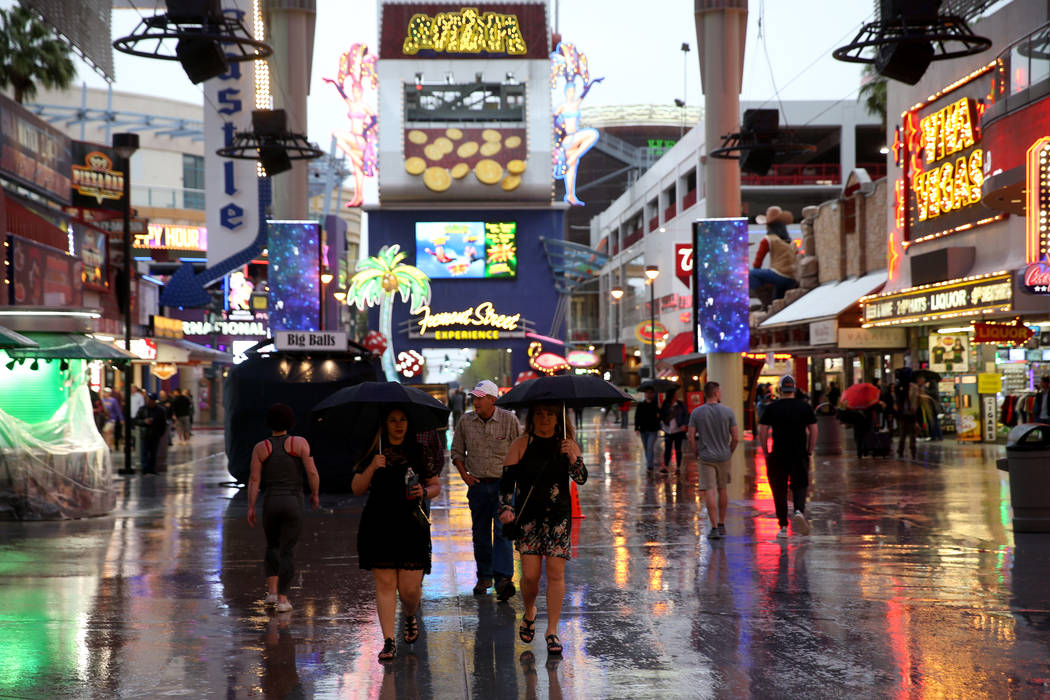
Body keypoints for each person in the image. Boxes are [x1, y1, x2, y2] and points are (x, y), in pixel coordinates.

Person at [352, 407, 442, 662]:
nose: (399, 425)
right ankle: (389, 641)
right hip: (379, 524)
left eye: (403, 420)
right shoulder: (373, 451)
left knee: (410, 591)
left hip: (412, 525)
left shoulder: (418, 452)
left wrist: (424, 492)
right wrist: (372, 467)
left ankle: (410, 615)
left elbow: (436, 486)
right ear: (385, 423)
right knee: (386, 585)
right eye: (393, 420)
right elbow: (357, 487)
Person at [498, 402, 586, 656]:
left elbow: (580, 478)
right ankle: (529, 610)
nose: (545, 418)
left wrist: (573, 457)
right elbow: (506, 483)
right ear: (532, 417)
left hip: (558, 519)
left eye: (550, 413)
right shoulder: (521, 445)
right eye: (540, 413)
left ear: (558, 418)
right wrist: (506, 508)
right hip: (528, 520)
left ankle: (552, 630)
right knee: (531, 576)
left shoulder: (567, 444)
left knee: (556, 573)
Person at [451, 380, 522, 601]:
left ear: (493, 399)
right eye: (474, 397)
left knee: (503, 531)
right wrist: (464, 474)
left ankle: (503, 579)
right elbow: (456, 452)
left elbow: (520, 450)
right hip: (478, 486)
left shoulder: (509, 420)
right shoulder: (465, 421)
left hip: (504, 485)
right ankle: (484, 576)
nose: (476, 401)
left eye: (480, 398)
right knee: (480, 533)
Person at [246, 404, 320, 614]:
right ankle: (283, 600)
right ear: (290, 421)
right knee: (287, 551)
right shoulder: (299, 443)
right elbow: (312, 473)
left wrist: (251, 506)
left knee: (272, 547)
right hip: (293, 502)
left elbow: (254, 479)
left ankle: (271, 592)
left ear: (269, 423)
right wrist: (314, 494)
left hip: (270, 502)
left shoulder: (261, 448)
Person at [758, 375, 818, 539]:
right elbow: (814, 430)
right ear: (794, 389)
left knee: (779, 489)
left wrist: (766, 452)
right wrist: (809, 450)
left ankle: (783, 525)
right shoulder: (804, 407)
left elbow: (762, 431)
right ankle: (798, 510)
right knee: (800, 484)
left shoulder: (771, 408)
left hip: (778, 454)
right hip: (799, 453)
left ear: (780, 390)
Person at [687, 382, 739, 539]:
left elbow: (691, 437)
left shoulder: (696, 413)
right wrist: (729, 451)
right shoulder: (728, 412)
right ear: (716, 393)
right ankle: (722, 524)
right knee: (722, 489)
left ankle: (714, 527)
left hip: (706, 457)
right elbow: (736, 437)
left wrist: (697, 452)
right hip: (724, 456)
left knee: (709, 490)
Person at [749, 206, 800, 301]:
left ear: (769, 226)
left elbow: (757, 262)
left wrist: (762, 281)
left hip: (779, 276)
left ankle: (765, 300)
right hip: (792, 278)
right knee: (777, 301)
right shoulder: (790, 242)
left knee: (751, 274)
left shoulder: (768, 239)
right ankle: (772, 302)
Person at [134, 393, 167, 475]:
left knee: (153, 453)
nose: (150, 402)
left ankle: (152, 469)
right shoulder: (142, 409)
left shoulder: (160, 410)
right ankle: (144, 469)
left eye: (152, 400)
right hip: (145, 434)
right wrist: (144, 422)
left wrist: (160, 433)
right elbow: (136, 420)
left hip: (155, 434)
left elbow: (163, 423)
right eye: (149, 400)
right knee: (144, 452)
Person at [660, 391, 689, 473]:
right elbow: (662, 415)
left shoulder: (680, 405)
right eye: (675, 394)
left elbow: (685, 415)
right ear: (672, 396)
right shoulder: (665, 405)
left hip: (678, 430)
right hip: (668, 429)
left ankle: (678, 467)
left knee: (678, 449)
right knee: (667, 448)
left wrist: (684, 424)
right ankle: (666, 466)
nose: (677, 396)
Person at [894, 368, 920, 460]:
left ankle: (909, 451)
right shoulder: (901, 387)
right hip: (906, 414)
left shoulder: (910, 387)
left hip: (908, 414)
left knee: (907, 435)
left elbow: (914, 401)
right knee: (906, 435)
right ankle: (904, 451)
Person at [634, 387, 661, 473]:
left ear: (653, 394)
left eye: (650, 393)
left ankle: (650, 466)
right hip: (643, 430)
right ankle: (649, 462)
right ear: (645, 394)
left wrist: (659, 411)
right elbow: (637, 417)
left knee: (649, 447)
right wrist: (636, 428)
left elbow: (660, 417)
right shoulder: (641, 405)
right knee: (646, 448)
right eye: (647, 393)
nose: (649, 394)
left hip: (653, 430)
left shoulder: (656, 405)